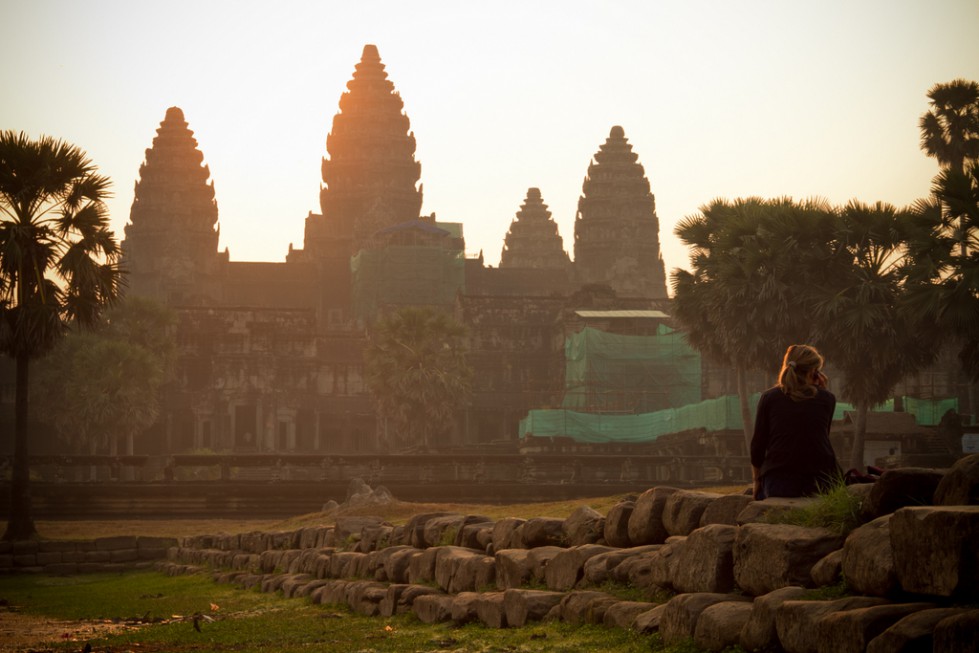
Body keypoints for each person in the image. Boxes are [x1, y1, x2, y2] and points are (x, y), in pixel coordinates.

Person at [751, 344, 839, 500]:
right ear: (814, 373)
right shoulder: (827, 399)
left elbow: (758, 446)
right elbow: (820, 437)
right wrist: (823, 392)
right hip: (821, 479)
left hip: (779, 479)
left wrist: (757, 480)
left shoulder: (770, 398)